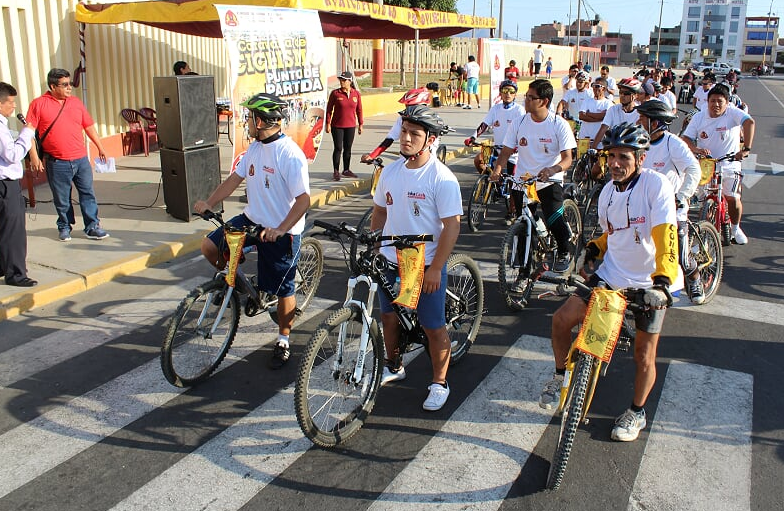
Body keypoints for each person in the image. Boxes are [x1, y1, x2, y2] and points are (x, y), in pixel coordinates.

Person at [539, 122, 678, 442]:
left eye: (624, 157)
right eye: (611, 156)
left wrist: (662, 283)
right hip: (612, 275)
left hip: (649, 281)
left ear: (640, 159)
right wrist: (593, 248)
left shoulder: (655, 186)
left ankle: (637, 412)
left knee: (644, 355)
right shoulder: (605, 194)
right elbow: (610, 233)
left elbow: (666, 236)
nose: (615, 163)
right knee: (561, 320)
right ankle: (561, 376)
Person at [194, 93, 310, 369]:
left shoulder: (289, 154)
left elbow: (304, 200)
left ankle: (283, 338)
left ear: (259, 121)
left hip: (282, 230)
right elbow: (234, 180)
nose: (245, 121)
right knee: (209, 247)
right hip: (252, 219)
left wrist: (281, 229)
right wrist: (208, 203)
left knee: (283, 290)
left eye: (248, 117)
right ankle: (236, 281)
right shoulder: (255, 149)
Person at [370, 105, 461, 412]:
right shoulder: (391, 172)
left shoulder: (441, 178)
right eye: (403, 131)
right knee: (388, 317)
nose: (405, 139)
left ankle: (439, 382)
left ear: (430, 139)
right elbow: (380, 210)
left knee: (433, 326)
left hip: (424, 264)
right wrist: (374, 243)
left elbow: (452, 226)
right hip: (391, 259)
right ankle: (394, 365)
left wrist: (436, 268)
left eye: (414, 134)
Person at [492, 79, 576, 273]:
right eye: (526, 96)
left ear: (544, 101)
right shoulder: (519, 122)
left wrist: (552, 170)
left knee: (553, 217)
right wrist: (497, 170)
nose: (526, 101)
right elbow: (505, 151)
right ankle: (524, 272)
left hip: (549, 181)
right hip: (523, 181)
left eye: (531, 97)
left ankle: (564, 250)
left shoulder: (558, 124)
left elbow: (567, 159)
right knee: (523, 227)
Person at [27, 68, 109, 242]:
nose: (69, 87)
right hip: (57, 162)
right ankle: (64, 227)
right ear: (52, 86)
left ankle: (92, 226)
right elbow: (29, 133)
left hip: (80, 160)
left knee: (87, 193)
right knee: (62, 198)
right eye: (64, 85)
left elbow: (89, 127)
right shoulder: (38, 104)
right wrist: (34, 156)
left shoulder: (76, 103)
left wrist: (100, 147)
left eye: (70, 83)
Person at [634, 100, 703, 304]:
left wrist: (681, 197)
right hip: (644, 208)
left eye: (642, 118)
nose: (638, 121)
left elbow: (694, 170)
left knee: (679, 255)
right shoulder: (638, 141)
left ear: (654, 123)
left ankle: (694, 277)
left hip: (672, 210)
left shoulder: (673, 143)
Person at [682, 83, 755, 245]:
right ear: (707, 102)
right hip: (707, 164)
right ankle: (706, 233)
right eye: (712, 101)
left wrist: (746, 149)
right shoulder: (699, 116)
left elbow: (749, 123)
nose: (715, 104)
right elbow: (686, 138)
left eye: (719, 101)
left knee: (732, 198)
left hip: (730, 163)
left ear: (726, 103)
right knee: (705, 200)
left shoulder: (733, 113)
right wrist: (697, 149)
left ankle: (735, 228)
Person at [464, 79, 525, 223]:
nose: (508, 94)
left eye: (511, 91)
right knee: (478, 161)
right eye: (505, 91)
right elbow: (485, 124)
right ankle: (495, 186)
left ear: (515, 94)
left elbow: (522, 129)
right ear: (501, 93)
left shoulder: (519, 110)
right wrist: (473, 136)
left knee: (513, 182)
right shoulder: (496, 109)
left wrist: (517, 145)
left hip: (512, 153)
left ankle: (512, 211)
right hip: (496, 150)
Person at [0, 82, 37, 287]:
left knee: (2, 228)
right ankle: (16, 274)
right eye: (10, 102)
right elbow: (12, 155)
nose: (13, 107)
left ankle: (3, 266)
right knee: (13, 231)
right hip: (6, 184)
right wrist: (26, 134)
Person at [361, 87, 431, 162]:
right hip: (406, 156)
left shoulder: (431, 120)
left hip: (425, 157)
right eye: (406, 106)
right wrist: (372, 156)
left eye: (411, 106)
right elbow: (389, 139)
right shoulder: (402, 119)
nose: (407, 109)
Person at [325, 71, 363, 181]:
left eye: (344, 80)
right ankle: (336, 170)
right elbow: (329, 110)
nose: (341, 82)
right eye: (340, 80)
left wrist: (361, 124)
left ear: (349, 81)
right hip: (337, 126)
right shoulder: (335, 93)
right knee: (338, 148)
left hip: (350, 125)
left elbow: (359, 110)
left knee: (348, 148)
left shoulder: (356, 94)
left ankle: (346, 170)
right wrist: (328, 123)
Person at [591, 77, 643, 150]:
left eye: (626, 93)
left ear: (635, 95)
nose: (622, 96)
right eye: (620, 93)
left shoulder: (640, 113)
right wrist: (593, 148)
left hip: (632, 151)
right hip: (615, 149)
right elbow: (603, 129)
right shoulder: (613, 110)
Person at [577, 77, 613, 146]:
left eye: (597, 86)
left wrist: (588, 113)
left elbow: (605, 117)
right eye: (593, 85)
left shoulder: (608, 103)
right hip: (584, 140)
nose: (594, 88)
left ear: (604, 89)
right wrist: (599, 117)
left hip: (600, 142)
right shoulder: (587, 101)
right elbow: (581, 116)